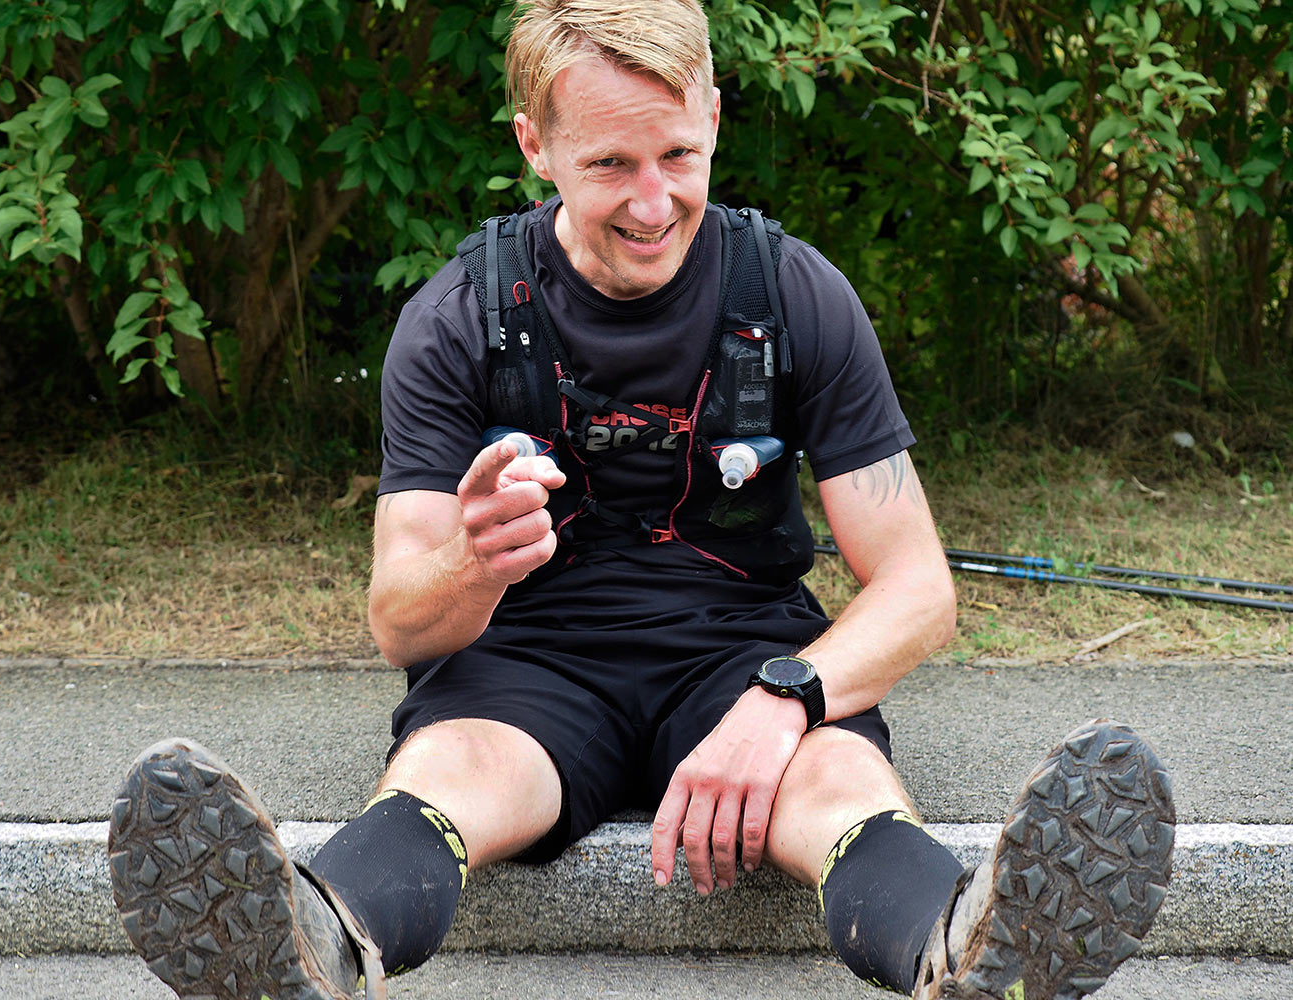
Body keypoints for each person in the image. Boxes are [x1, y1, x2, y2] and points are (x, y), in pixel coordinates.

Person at [107, 2, 1176, 998]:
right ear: (535, 146)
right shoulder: (458, 317)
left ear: (713, 116)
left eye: (678, 154)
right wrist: (474, 558)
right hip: (526, 667)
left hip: (741, 653)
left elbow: (917, 590)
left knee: (835, 778)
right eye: (610, 163)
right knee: (449, 772)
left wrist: (789, 698)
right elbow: (401, 619)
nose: (653, 201)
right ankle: (315, 941)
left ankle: (966, 954)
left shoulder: (795, 294)